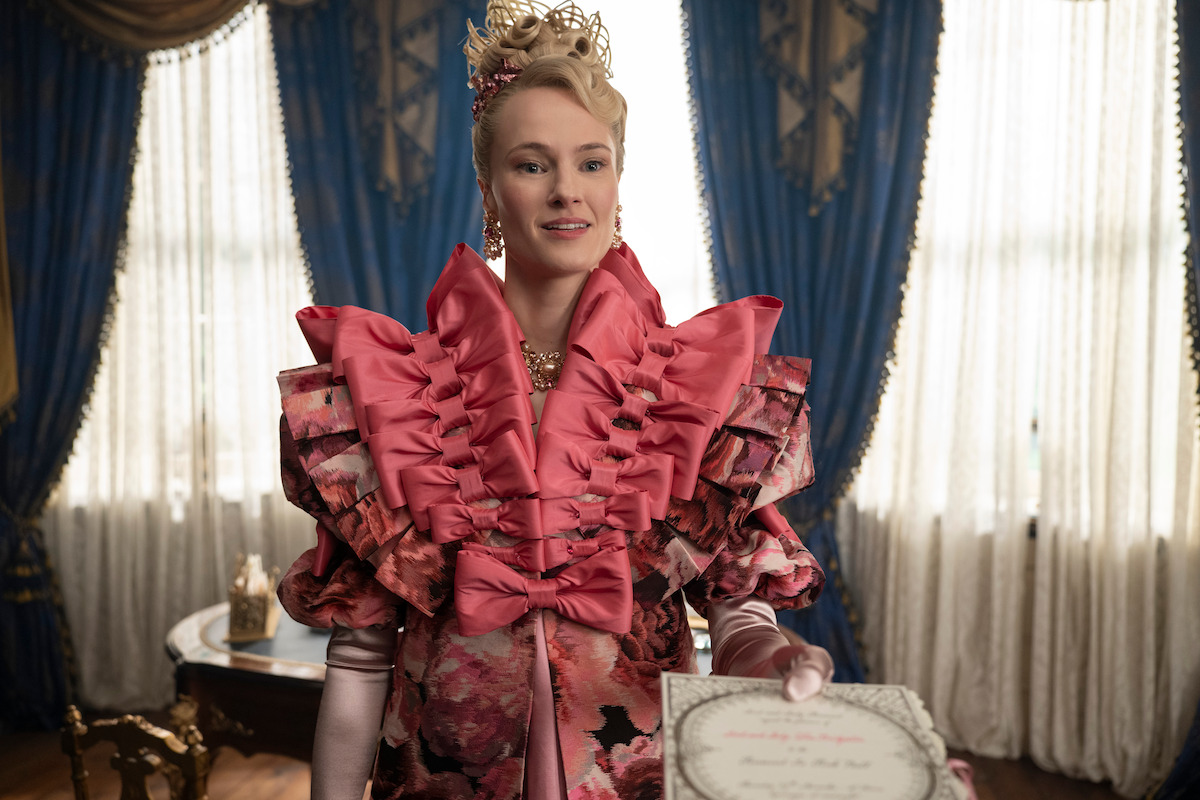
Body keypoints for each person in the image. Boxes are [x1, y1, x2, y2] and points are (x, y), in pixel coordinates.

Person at [275, 2, 834, 798]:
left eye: (592, 162)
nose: (567, 191)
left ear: (617, 179)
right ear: (489, 187)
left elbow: (738, 616)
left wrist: (780, 661)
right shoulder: (393, 398)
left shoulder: (700, 396)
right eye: (533, 163)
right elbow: (361, 660)